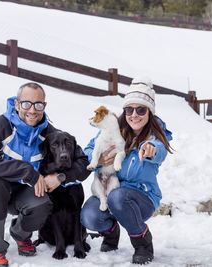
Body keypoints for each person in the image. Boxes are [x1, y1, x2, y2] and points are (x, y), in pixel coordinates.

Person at [0, 82, 90, 267]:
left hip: (21, 191)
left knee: (44, 201)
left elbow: (82, 161)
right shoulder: (0, 126)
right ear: (17, 104)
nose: (32, 110)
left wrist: (60, 178)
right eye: (26, 104)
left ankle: (20, 235)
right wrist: (28, 172)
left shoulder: (50, 133)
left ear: (44, 106)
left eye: (38, 105)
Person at [80, 77, 173, 265]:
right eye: (129, 109)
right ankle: (110, 233)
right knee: (89, 216)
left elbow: (159, 151)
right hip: (110, 191)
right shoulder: (113, 128)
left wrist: (151, 150)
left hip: (141, 198)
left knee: (118, 197)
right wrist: (97, 159)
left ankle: (142, 243)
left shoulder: (156, 137)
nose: (134, 115)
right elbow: (89, 149)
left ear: (149, 112)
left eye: (141, 109)